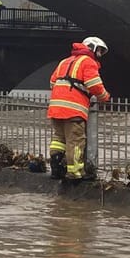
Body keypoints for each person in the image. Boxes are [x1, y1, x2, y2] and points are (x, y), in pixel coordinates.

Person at [47, 37, 111, 181]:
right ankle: (75, 173)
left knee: (59, 139)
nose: (99, 55)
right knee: (75, 141)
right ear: (91, 47)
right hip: (73, 109)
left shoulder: (65, 61)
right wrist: (105, 97)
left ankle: (56, 170)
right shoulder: (88, 62)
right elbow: (94, 84)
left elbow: (52, 82)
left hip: (56, 108)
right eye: (99, 51)